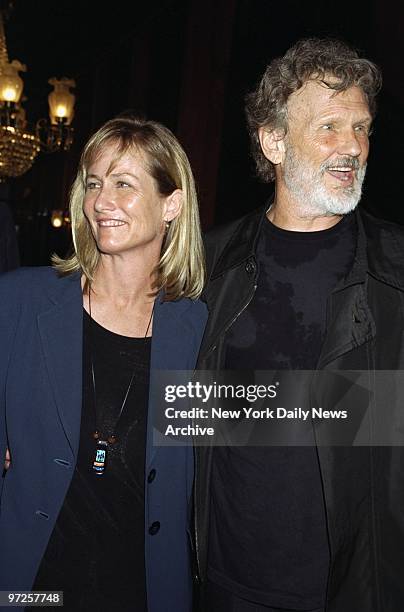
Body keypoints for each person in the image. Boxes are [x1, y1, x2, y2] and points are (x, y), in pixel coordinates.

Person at [195, 39, 404, 612]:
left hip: (361, 588)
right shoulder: (205, 264)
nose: (353, 148)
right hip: (225, 584)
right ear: (273, 140)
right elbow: (175, 408)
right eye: (330, 127)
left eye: (361, 128)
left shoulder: (397, 267)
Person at [0, 114, 207, 611]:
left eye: (123, 184)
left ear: (172, 203)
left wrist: (370, 410)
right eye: (94, 183)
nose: (101, 201)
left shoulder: (197, 327)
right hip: (34, 588)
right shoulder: (22, 301)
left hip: (138, 591)